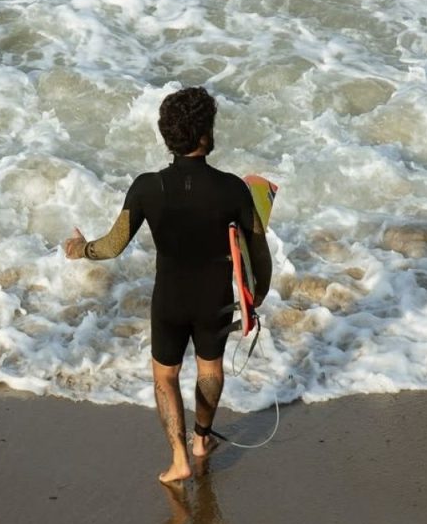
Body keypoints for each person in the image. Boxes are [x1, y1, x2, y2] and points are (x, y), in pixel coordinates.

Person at [64, 87, 272, 483]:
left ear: (166, 137)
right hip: (215, 298)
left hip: (170, 299)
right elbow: (259, 252)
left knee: (165, 376)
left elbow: (112, 245)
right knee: (209, 368)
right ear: (206, 136)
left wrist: (79, 249)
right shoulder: (233, 189)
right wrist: (254, 295)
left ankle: (179, 459)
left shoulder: (146, 187)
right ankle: (201, 439)